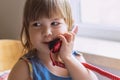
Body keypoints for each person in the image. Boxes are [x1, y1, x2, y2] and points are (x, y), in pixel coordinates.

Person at [8, 0, 98, 80]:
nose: (47, 32)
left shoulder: (76, 59)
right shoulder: (24, 69)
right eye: (37, 24)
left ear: (69, 27)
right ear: (27, 31)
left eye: (54, 23)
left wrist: (68, 58)